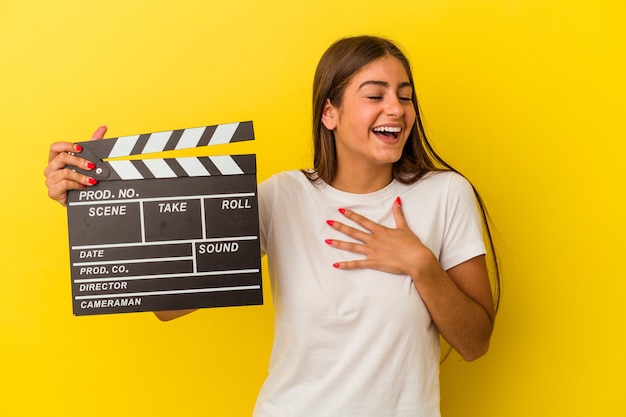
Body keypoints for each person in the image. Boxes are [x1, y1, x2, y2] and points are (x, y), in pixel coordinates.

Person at [45, 35, 500, 417]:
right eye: (375, 94)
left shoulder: (444, 195)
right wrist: (97, 203)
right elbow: (169, 306)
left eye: (405, 95)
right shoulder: (281, 197)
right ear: (330, 113)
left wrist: (421, 264)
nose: (397, 109)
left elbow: (475, 342)